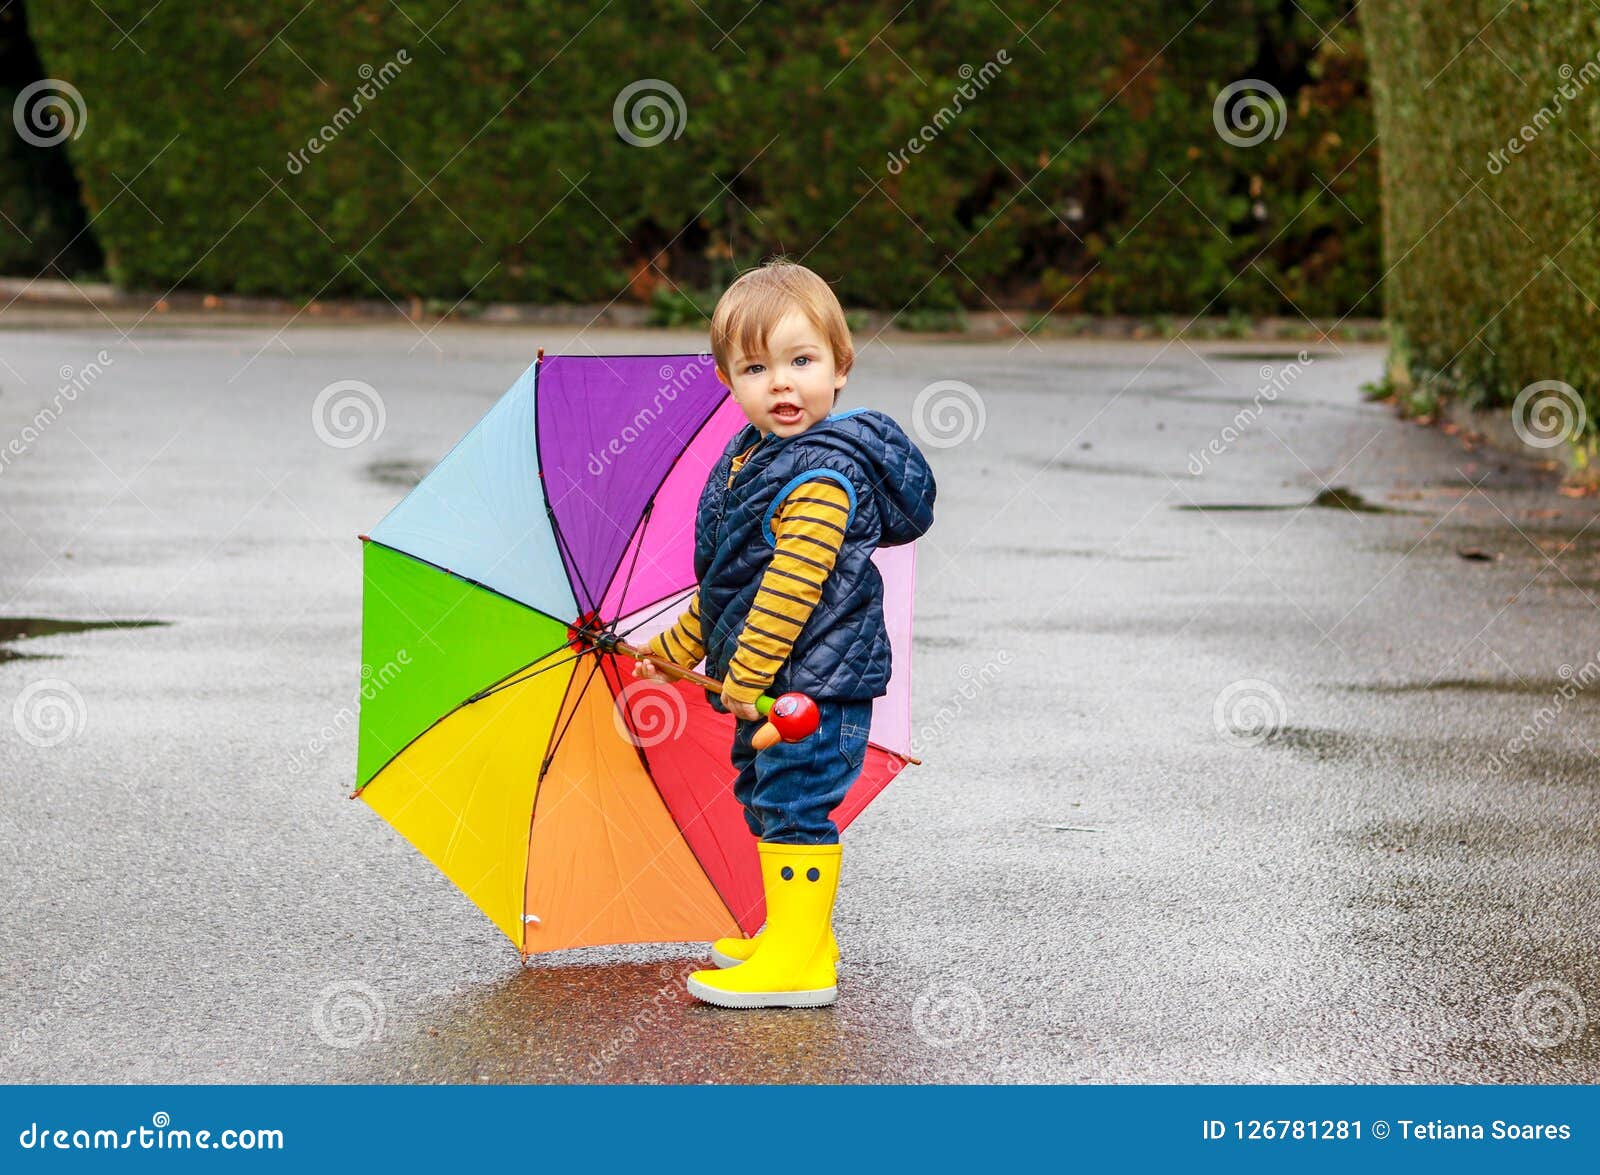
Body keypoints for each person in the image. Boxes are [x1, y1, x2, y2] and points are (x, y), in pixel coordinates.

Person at [633, 257, 936, 1008]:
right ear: (728, 380)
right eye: (756, 367)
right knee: (769, 798)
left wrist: (749, 672)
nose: (781, 383)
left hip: (815, 686)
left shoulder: (823, 475)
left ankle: (800, 964)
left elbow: (791, 588)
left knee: (797, 803)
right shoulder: (751, 459)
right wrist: (675, 651)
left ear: (839, 369)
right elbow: (732, 585)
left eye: (802, 361)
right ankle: (801, 935)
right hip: (775, 687)